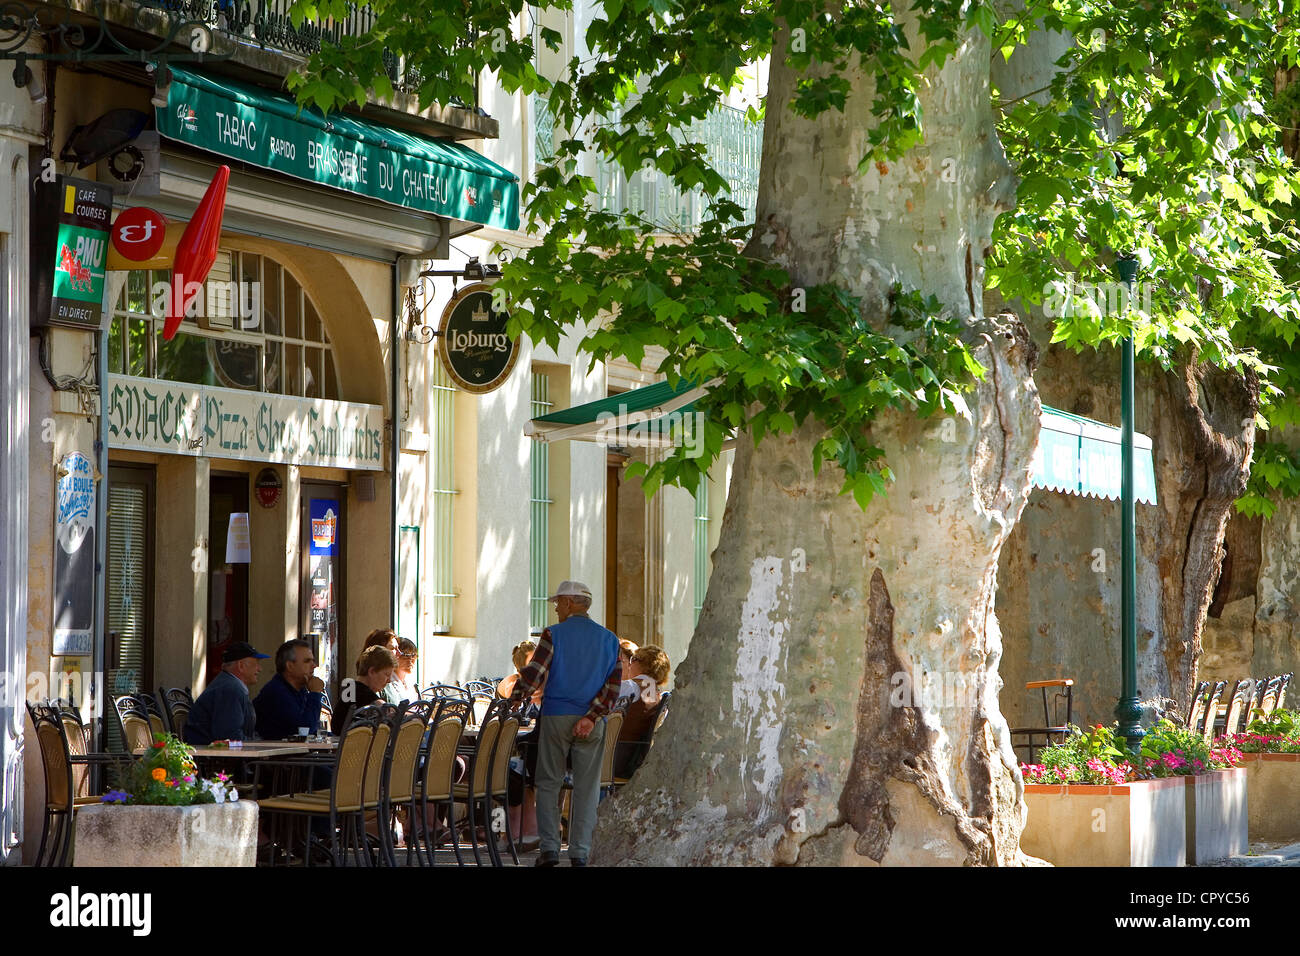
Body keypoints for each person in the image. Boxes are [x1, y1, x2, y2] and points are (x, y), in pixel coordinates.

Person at [511, 580, 621, 867]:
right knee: (587, 787)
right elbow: (613, 688)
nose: (557, 608)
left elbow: (535, 672)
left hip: (556, 714)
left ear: (571, 603)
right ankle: (580, 853)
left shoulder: (553, 634)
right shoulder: (610, 639)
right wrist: (591, 717)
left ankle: (549, 849)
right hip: (592, 722)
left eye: (558, 602)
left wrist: (517, 695)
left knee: (548, 782)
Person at [184, 641, 269, 745]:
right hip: (213, 757)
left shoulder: (230, 685)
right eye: (256, 664)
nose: (260, 669)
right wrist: (258, 746)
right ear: (241, 666)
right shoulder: (230, 689)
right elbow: (229, 737)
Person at [615, 645, 671, 779]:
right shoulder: (657, 693)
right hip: (636, 759)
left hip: (616, 758)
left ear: (640, 662)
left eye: (633, 659)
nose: (629, 664)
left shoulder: (632, 686)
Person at [254, 639, 326, 740]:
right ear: (290, 666)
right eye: (307, 661)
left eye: (313, 661)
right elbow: (304, 731)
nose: (314, 666)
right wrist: (315, 694)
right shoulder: (277, 692)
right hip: (277, 754)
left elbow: (313, 730)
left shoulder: (300, 690)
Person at [336, 645, 397, 731]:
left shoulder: (352, 688)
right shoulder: (359, 692)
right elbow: (388, 710)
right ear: (372, 672)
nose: (389, 680)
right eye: (387, 675)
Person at [385, 638, 420, 705]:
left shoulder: (410, 681)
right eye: (405, 655)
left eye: (413, 655)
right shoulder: (388, 681)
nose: (410, 660)